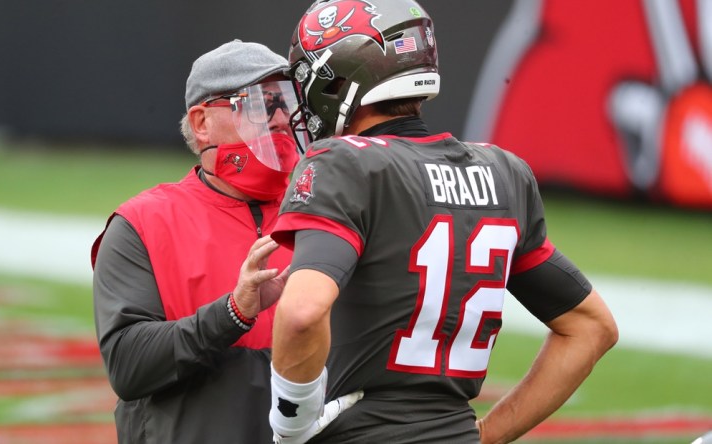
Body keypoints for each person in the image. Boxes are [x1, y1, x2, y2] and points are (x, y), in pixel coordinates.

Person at [267, 1, 619, 443]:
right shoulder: (503, 171)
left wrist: (290, 425)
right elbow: (591, 327)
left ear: (340, 79)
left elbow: (302, 312)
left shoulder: (343, 164)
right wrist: (487, 434)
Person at [91, 40, 357, 444]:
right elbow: (129, 368)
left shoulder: (327, 213)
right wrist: (233, 313)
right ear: (201, 123)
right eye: (259, 103)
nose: (281, 118)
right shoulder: (141, 222)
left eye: (285, 101)